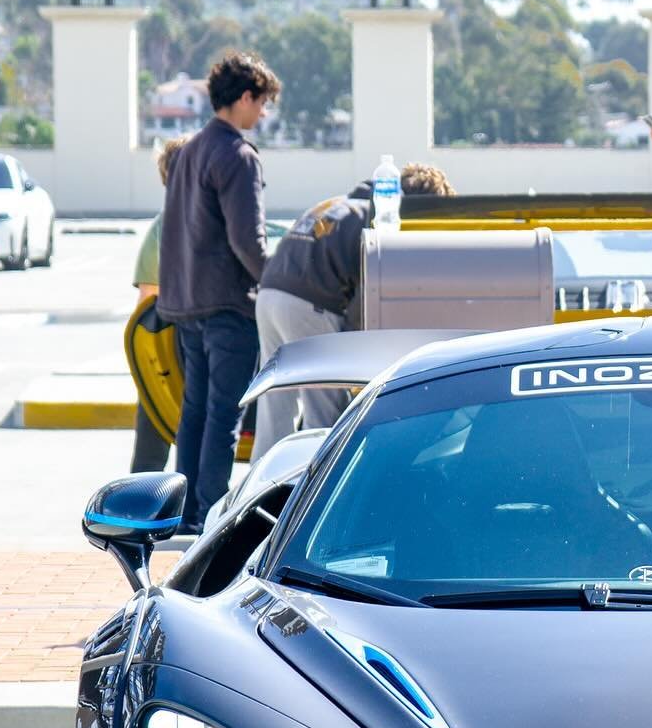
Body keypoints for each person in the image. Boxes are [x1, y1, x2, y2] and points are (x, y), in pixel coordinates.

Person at [252, 162, 453, 458]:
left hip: (269, 295)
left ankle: (263, 485)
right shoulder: (377, 219)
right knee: (323, 410)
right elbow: (368, 292)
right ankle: (314, 488)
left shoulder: (338, 204)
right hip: (310, 304)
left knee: (275, 407)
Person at [157, 50, 281, 533]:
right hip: (228, 304)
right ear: (246, 97)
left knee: (194, 411)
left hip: (185, 302)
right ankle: (211, 517)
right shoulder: (237, 155)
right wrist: (276, 281)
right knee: (224, 414)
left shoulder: (189, 149)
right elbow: (248, 242)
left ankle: (182, 510)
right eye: (263, 103)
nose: (263, 114)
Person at [128, 135, 190, 472]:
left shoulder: (162, 225)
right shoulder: (207, 217)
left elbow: (146, 304)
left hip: (165, 350)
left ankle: (138, 511)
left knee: (152, 439)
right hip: (196, 343)